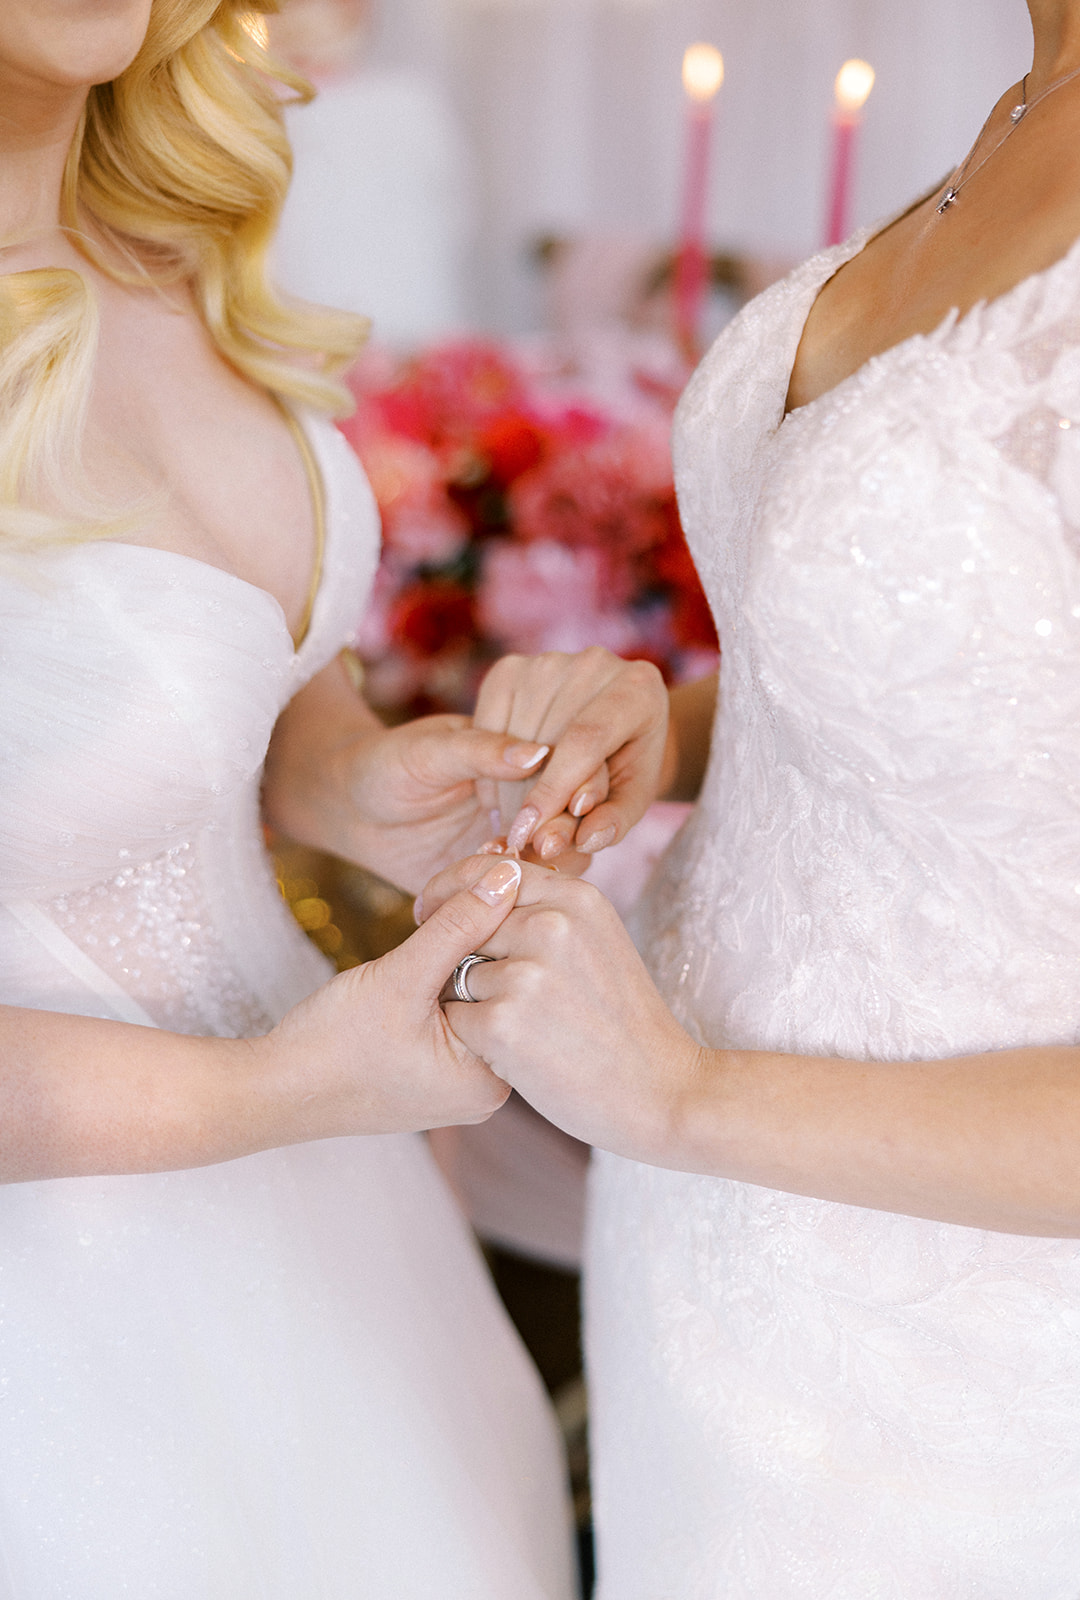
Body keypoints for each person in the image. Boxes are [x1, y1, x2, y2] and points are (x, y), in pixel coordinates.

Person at [0, 2, 672, 1594]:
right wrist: (293, 1089)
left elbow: (198, 681)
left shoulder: (158, 222)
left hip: (357, 1235)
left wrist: (355, 781)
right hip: (73, 1338)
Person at [421, 1, 1080, 1590]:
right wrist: (689, 727)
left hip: (973, 1366)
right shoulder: (1027, 97)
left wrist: (678, 1098)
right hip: (709, 1288)